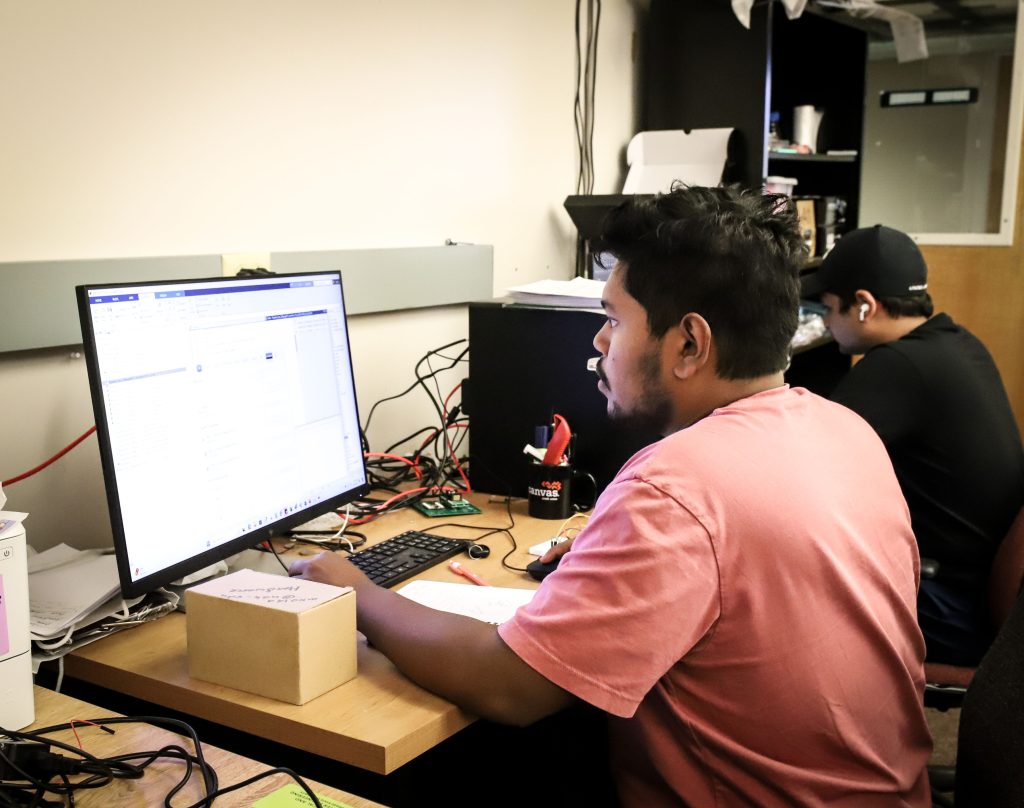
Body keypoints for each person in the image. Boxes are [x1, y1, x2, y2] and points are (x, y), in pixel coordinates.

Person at [291, 186, 932, 806]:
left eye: (611, 318)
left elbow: (511, 688)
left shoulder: (678, 484)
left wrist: (357, 592)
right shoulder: (843, 429)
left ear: (689, 344)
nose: (598, 341)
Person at [801, 225, 1024, 666]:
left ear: (864, 305)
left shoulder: (897, 367)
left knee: (792, 588)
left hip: (957, 608)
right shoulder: (958, 343)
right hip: (993, 596)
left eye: (826, 309)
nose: (824, 323)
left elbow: (802, 458)